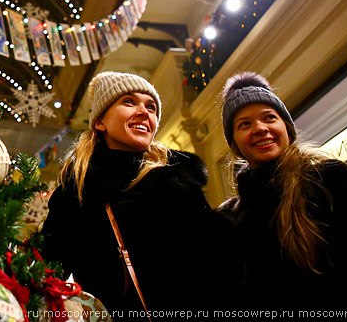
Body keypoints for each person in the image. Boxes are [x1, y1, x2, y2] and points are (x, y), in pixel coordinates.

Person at [41, 71, 234, 317]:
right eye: (129, 102)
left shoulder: (179, 180)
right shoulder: (76, 193)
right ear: (100, 121)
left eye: (151, 107)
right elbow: (47, 272)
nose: (144, 112)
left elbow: (218, 265)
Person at [218, 72, 347, 308]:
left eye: (269, 117)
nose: (260, 128)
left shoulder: (329, 180)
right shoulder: (229, 218)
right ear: (235, 143)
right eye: (244, 124)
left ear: (287, 129)